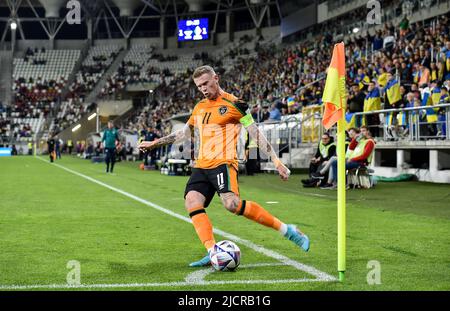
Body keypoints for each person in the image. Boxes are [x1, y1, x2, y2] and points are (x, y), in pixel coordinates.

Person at [138, 65, 309, 267]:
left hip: (223, 163)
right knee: (192, 201)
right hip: (202, 165)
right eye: (198, 86)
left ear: (216, 79)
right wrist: (154, 143)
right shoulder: (200, 107)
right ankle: (212, 252)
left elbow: (255, 133)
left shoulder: (235, 104)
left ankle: (288, 231)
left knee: (232, 205)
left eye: (205, 83)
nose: (202, 88)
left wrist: (276, 160)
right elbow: (183, 134)